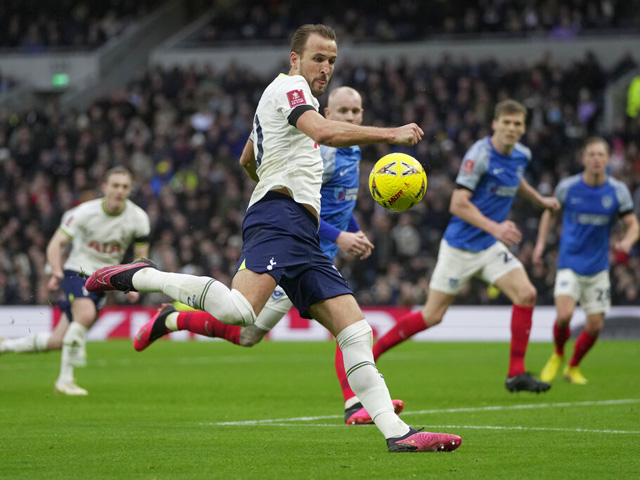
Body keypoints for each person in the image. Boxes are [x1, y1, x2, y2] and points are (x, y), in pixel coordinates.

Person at [86, 24, 462, 452]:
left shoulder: (289, 100)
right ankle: (143, 276)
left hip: (302, 231)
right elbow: (323, 132)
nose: (325, 67)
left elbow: (248, 157)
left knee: (355, 330)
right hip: (279, 218)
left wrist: (268, 175)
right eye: (318, 58)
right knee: (239, 313)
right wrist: (390, 134)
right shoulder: (290, 89)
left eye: (332, 60)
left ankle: (400, 434)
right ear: (295, 59)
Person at [132, 86, 404, 426]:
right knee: (246, 328)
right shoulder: (327, 154)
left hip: (316, 257)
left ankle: (357, 402)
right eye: (343, 112)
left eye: (356, 111)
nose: (350, 117)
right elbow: (301, 210)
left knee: (334, 329)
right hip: (290, 249)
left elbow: (335, 203)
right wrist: (341, 236)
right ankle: (170, 315)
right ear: (328, 115)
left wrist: (353, 228)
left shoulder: (351, 153)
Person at [369, 99, 560, 394]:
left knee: (526, 293)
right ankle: (374, 352)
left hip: (487, 246)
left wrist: (540, 201)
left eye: (517, 123)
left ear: (523, 128)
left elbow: (515, 179)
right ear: (495, 124)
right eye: (506, 122)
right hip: (459, 247)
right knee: (433, 315)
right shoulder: (479, 155)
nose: (512, 128)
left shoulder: (521, 154)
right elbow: (457, 203)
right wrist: (496, 227)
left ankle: (516, 374)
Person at [1, 167, 150, 396]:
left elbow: (141, 257)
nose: (120, 191)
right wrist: (56, 272)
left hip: (104, 278)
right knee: (86, 314)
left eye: (125, 186)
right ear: (104, 187)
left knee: (57, 341)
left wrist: (134, 283)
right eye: (115, 185)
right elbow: (56, 243)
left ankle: (5, 345)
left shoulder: (138, 218)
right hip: (76, 270)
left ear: (130, 189)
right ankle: (65, 380)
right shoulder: (83, 212)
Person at [533, 137, 639, 385]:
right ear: (583, 159)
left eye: (601, 154)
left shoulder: (617, 191)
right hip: (569, 263)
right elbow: (550, 213)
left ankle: (573, 366)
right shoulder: (568, 188)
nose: (596, 159)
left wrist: (628, 242)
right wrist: (540, 244)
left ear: (608, 159)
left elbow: (633, 225)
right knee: (565, 315)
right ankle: (558, 354)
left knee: (594, 327)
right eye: (591, 154)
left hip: (598, 267)